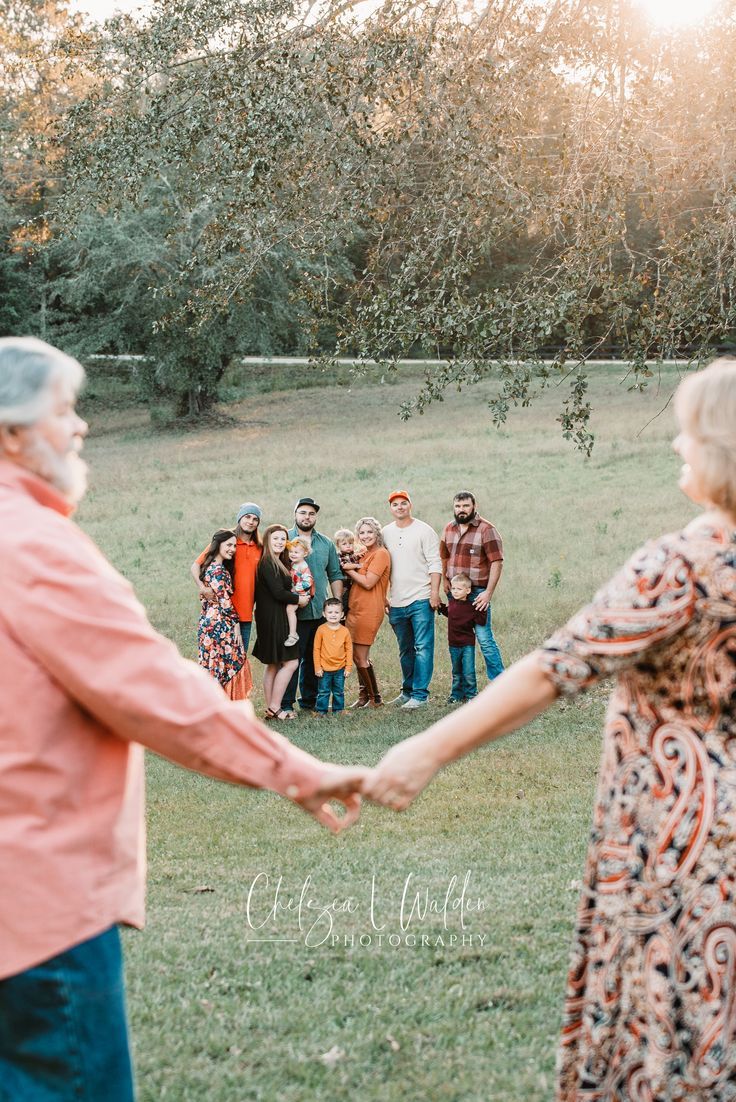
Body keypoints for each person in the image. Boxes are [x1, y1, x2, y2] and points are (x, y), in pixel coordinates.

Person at [0, 338, 367, 1102]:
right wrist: (292, 769)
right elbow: (154, 688)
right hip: (36, 911)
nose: (82, 429)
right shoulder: (33, 546)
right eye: (64, 412)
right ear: (10, 432)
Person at [366, 359, 736, 1100]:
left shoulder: (683, 564)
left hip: (677, 840)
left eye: (688, 433)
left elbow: (551, 670)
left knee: (670, 1024)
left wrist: (424, 750)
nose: (676, 447)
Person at [282, 497, 344, 715]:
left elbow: (335, 574)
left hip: (319, 610)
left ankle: (310, 700)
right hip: (291, 612)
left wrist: (336, 603)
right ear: (295, 514)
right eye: (303, 513)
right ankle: (285, 703)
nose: (307, 517)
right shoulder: (284, 539)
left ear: (315, 517)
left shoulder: (325, 543)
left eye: (311, 513)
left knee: (315, 656)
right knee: (291, 658)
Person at [382, 490, 442, 709]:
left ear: (410, 505)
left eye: (403, 503)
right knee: (405, 649)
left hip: (421, 597)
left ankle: (420, 694)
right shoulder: (385, 532)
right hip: (396, 601)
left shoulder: (424, 530)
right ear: (390, 508)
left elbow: (435, 563)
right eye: (395, 504)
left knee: (423, 647)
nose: (400, 507)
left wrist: (434, 593)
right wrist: (383, 596)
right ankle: (407, 692)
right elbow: (382, 566)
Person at [440, 491, 504, 682]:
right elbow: (444, 555)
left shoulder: (486, 529)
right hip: (456, 592)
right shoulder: (449, 529)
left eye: (466, 506)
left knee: (484, 639)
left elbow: (497, 562)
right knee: (460, 640)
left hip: (477, 593)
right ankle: (463, 686)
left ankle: (499, 682)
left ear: (474, 506)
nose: (461, 510)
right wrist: (445, 579)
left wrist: (488, 593)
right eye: (458, 506)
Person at [252, 525, 308, 721]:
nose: (279, 542)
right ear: (267, 540)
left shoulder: (278, 561)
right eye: (275, 538)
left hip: (270, 617)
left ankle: (270, 709)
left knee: (274, 664)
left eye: (283, 539)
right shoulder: (268, 562)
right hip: (274, 618)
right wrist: (298, 599)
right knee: (291, 662)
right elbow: (278, 592)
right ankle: (276, 707)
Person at [191, 502, 262, 651]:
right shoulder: (227, 541)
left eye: (255, 519)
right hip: (222, 613)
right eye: (247, 516)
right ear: (239, 518)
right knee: (221, 661)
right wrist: (203, 588)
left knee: (239, 660)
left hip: (245, 613)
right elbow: (196, 565)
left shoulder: (259, 547)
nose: (251, 521)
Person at [197, 528, 253, 700]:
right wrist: (235, 624)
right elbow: (224, 601)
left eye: (234, 546)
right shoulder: (218, 571)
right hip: (220, 623)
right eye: (228, 545)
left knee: (214, 664)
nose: (232, 549)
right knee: (230, 663)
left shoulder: (211, 567)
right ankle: (226, 704)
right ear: (218, 544)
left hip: (209, 622)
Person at [343, 517, 391, 708]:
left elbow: (369, 582)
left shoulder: (381, 554)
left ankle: (375, 698)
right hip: (355, 608)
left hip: (369, 609)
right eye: (361, 533)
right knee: (356, 655)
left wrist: (347, 570)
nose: (365, 536)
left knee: (360, 656)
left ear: (377, 533)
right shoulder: (362, 554)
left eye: (369, 532)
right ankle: (364, 697)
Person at [437, 572, 486, 704]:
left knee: (468, 671)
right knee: (456, 671)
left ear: (468, 590)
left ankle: (471, 695)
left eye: (459, 589)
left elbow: (481, 622)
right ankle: (456, 694)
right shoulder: (452, 603)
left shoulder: (471, 607)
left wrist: (483, 608)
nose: (455, 591)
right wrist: (440, 607)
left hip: (467, 644)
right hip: (453, 644)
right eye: (453, 588)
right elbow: (450, 613)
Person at [313, 598, 354, 717]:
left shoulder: (345, 631)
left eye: (336, 612)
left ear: (342, 615)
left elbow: (349, 650)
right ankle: (321, 711)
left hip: (340, 668)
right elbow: (316, 649)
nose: (333, 615)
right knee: (323, 691)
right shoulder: (321, 630)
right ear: (324, 614)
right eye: (330, 612)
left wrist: (348, 667)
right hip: (324, 669)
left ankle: (338, 710)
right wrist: (317, 667)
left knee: (339, 692)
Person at [285, 537, 314, 647]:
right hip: (295, 591)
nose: (293, 554)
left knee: (290, 609)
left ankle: (293, 635)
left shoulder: (303, 566)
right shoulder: (294, 564)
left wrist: (295, 589)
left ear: (305, 553)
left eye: (296, 552)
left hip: (302, 593)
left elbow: (308, 582)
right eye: (291, 551)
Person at [334, 527, 366, 615]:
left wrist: (359, 555)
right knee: (345, 598)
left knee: (353, 598)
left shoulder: (351, 554)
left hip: (352, 582)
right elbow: (345, 566)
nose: (348, 546)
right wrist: (357, 565)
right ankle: (342, 614)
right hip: (345, 583)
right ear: (338, 545)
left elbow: (354, 557)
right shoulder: (340, 555)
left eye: (351, 543)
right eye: (344, 544)